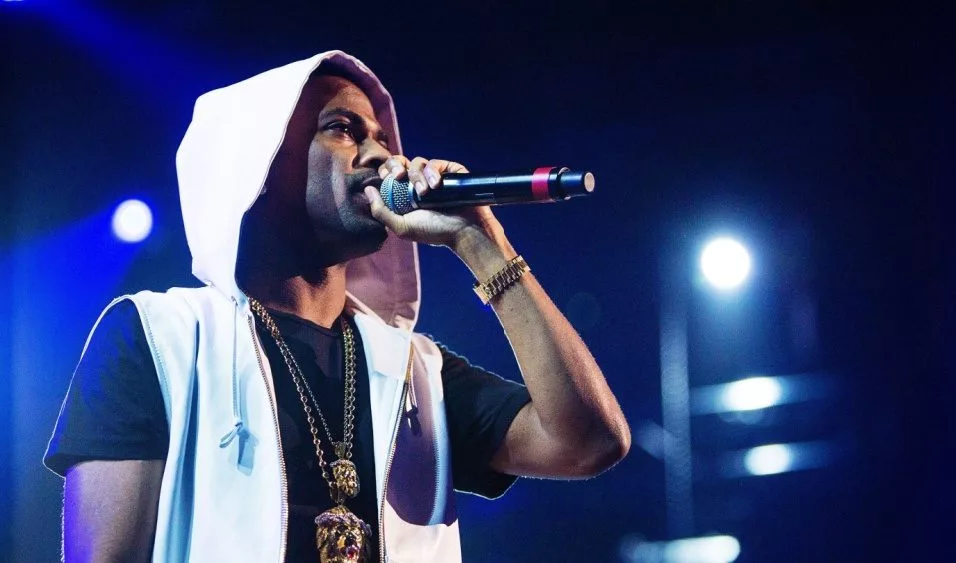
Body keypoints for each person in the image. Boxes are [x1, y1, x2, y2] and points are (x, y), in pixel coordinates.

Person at [44, 50, 630, 563]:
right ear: (261, 165)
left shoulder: (413, 371)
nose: (382, 156)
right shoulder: (159, 337)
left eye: (380, 137)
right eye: (344, 129)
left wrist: (481, 243)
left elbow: (589, 441)